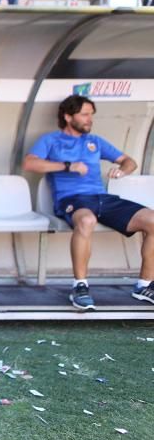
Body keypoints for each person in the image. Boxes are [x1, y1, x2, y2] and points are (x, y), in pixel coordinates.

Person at [23, 95, 154, 309]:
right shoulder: (51, 140)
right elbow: (30, 164)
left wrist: (122, 170)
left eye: (91, 115)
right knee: (86, 220)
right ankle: (80, 286)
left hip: (102, 198)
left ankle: (144, 285)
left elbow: (130, 161)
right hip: (71, 200)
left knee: (152, 219)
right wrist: (67, 166)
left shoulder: (95, 142)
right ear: (67, 116)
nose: (89, 119)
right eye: (84, 114)